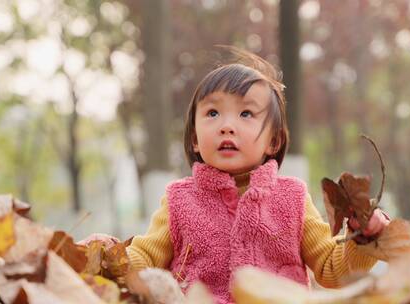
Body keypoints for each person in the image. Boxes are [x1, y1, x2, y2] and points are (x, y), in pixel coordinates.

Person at [83, 47, 389, 304]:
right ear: (193, 139)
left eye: (246, 114)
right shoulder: (179, 200)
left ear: (274, 141)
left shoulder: (292, 198)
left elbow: (330, 268)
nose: (226, 125)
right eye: (213, 113)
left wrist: (363, 237)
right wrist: (110, 255)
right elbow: (146, 260)